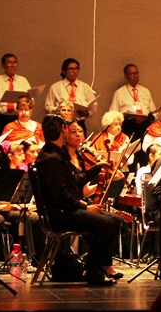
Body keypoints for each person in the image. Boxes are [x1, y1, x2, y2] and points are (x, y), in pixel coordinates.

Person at [35, 115, 122, 285]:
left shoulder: (57, 154)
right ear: (63, 130)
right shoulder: (51, 158)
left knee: (116, 219)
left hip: (66, 209)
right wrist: (85, 207)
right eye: (68, 129)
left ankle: (99, 267)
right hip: (59, 214)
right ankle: (93, 272)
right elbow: (60, 195)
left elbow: (73, 181)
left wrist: (96, 168)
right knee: (106, 223)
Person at [0, 53, 33, 135]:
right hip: (0, 119)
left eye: (14, 62)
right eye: (9, 63)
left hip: (17, 118)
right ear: (3, 65)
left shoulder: (23, 80)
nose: (12, 65)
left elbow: (31, 101)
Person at [109, 64, 156, 141]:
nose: (135, 76)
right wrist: (122, 116)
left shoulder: (145, 91)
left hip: (145, 125)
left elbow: (154, 111)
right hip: (128, 125)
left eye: (137, 73)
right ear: (126, 76)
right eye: (132, 74)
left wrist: (152, 117)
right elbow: (113, 113)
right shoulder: (119, 93)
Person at [43, 58, 97, 126]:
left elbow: (94, 106)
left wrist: (87, 113)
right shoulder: (55, 87)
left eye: (76, 68)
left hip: (79, 123)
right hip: (60, 123)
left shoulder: (85, 87)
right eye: (71, 69)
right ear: (64, 71)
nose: (74, 71)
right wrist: (58, 110)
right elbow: (47, 106)